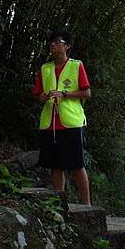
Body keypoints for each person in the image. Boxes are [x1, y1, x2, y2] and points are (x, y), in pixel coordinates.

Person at [32, 30, 91, 206]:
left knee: (76, 165)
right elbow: (37, 94)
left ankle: (87, 205)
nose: (53, 45)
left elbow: (87, 92)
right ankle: (60, 205)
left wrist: (64, 94)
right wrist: (41, 97)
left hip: (71, 122)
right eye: (51, 42)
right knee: (55, 165)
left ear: (67, 46)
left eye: (58, 42)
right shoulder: (45, 68)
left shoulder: (76, 65)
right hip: (50, 122)